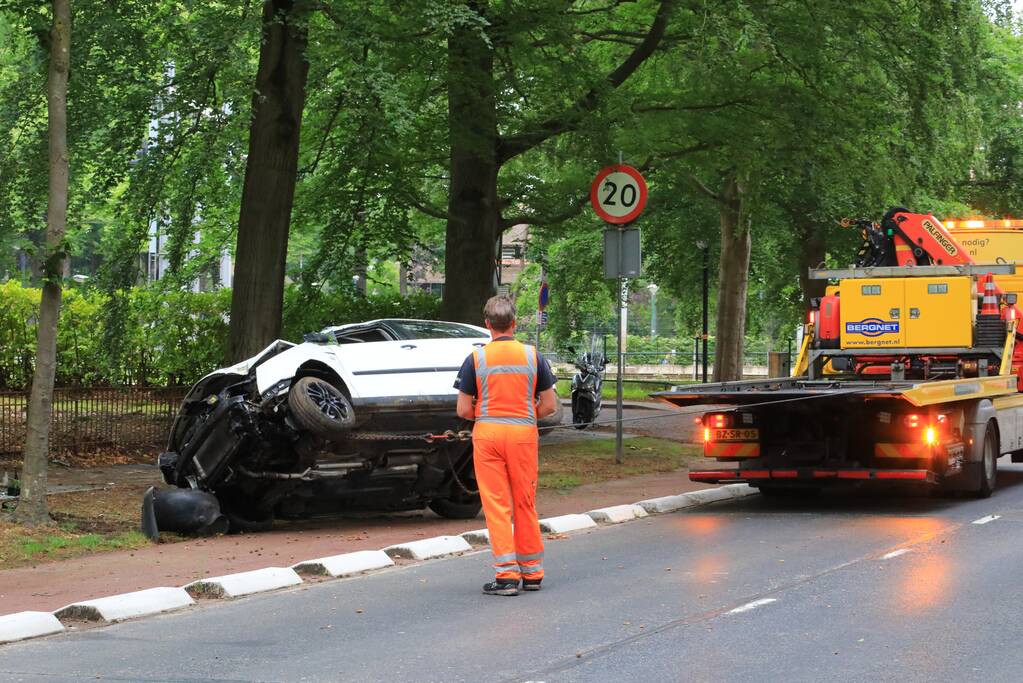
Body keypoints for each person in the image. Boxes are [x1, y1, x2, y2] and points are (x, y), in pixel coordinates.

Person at [454, 295, 559, 596]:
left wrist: (487, 414)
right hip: (523, 435)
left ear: (487, 324)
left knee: (496, 505)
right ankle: (533, 573)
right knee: (524, 502)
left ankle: (506, 577)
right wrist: (524, 414)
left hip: (487, 435)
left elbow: (463, 410)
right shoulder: (533, 356)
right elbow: (550, 405)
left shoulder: (476, 359)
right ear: (514, 323)